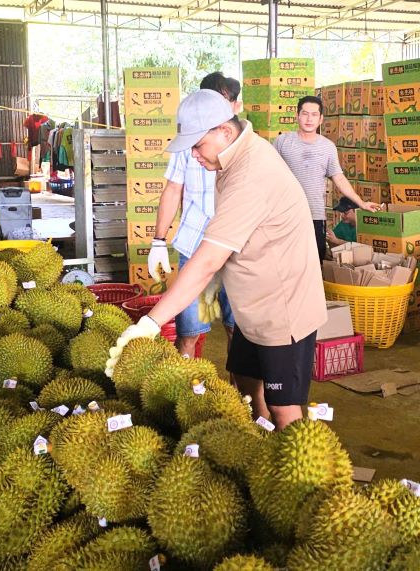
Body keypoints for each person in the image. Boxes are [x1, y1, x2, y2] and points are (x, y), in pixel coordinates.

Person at [106, 89, 327, 430]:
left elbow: (208, 260)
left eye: (197, 145)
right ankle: (259, 434)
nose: (194, 155)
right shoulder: (234, 156)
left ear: (224, 132)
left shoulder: (251, 175)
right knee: (242, 373)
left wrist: (150, 323)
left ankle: (294, 472)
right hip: (254, 299)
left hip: (283, 306)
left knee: (284, 405)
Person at [148, 72, 240, 359]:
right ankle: (185, 394)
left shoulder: (245, 148)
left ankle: (242, 398)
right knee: (189, 333)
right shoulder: (187, 142)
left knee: (237, 332)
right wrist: (158, 240)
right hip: (195, 243)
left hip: (235, 250)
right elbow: (173, 188)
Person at [273, 95, 380, 261]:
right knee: (285, 260)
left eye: (314, 114)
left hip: (315, 215)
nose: (309, 119)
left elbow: (339, 179)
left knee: (315, 261)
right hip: (285, 214)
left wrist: (361, 203)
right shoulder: (282, 142)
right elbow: (269, 175)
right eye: (305, 113)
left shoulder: (328, 147)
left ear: (321, 119)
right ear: (297, 116)